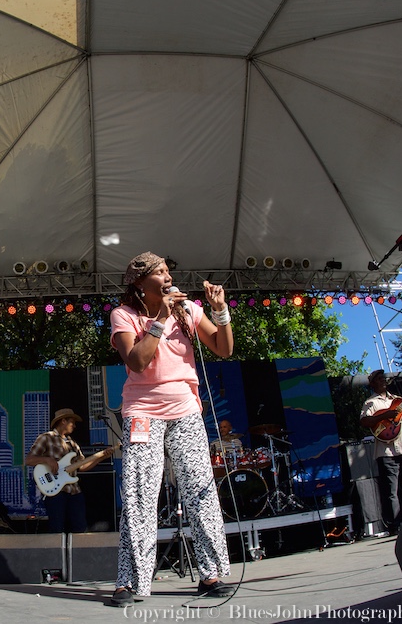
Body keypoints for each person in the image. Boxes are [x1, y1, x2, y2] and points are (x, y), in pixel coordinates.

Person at [109, 252, 235, 606]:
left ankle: (210, 575)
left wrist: (219, 310)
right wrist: (161, 318)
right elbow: (137, 361)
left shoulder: (189, 310)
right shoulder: (124, 315)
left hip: (185, 410)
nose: (167, 275)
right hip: (142, 412)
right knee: (139, 496)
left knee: (200, 490)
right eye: (159, 271)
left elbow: (223, 348)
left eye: (168, 270)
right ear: (140, 282)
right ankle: (129, 581)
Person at [26, 408, 114, 533]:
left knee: (80, 527)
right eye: (72, 422)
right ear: (63, 421)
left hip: (74, 491)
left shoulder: (72, 444)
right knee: (56, 527)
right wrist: (47, 460)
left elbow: (82, 466)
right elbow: (29, 460)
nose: (74, 425)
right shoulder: (46, 438)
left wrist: (101, 457)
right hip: (56, 491)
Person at [359, 369, 402, 535]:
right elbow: (365, 421)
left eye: (383, 378)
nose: (383, 380)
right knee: (391, 492)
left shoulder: (398, 400)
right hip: (385, 451)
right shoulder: (370, 402)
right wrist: (386, 414)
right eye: (379, 378)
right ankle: (395, 526)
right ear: (373, 384)